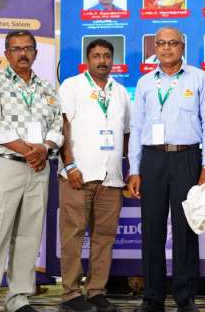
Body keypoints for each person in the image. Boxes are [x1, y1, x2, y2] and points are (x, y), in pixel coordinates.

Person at [127, 26, 205, 312]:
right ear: (155, 48)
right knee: (152, 229)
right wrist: (134, 169)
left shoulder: (199, 78)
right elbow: (136, 127)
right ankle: (152, 297)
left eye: (173, 43)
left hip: (186, 157)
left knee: (185, 229)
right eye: (161, 43)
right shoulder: (145, 82)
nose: (166, 48)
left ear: (182, 47)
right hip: (152, 160)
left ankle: (185, 296)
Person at [0, 30, 63, 312]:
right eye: (16, 49)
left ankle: (18, 297)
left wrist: (44, 148)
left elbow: (57, 127)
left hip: (38, 169)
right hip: (7, 165)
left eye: (27, 48)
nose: (22, 54)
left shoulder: (46, 89)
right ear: (6, 54)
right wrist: (30, 151)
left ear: (36, 53)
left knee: (29, 235)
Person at [58, 39, 131, 312]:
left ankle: (96, 291)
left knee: (104, 238)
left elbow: (127, 133)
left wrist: (128, 168)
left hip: (111, 178)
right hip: (78, 175)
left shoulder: (120, 92)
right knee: (72, 236)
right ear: (87, 60)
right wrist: (69, 165)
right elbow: (63, 126)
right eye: (97, 56)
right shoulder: (72, 86)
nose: (102, 61)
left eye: (107, 56)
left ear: (113, 60)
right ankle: (70, 295)